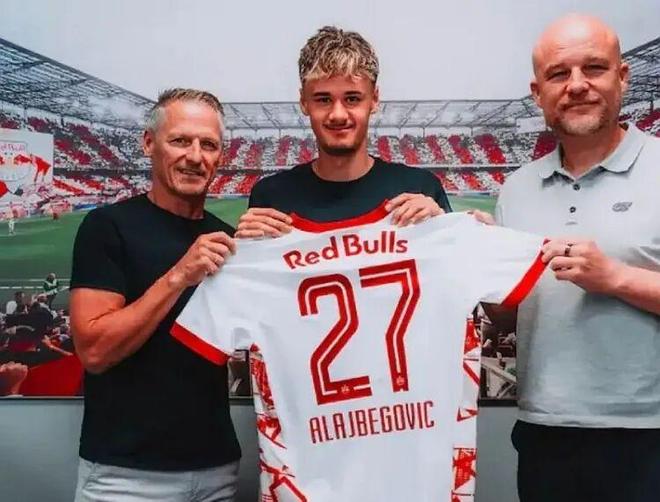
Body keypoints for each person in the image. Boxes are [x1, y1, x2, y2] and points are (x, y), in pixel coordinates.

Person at [479, 14, 660, 502]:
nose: (577, 85)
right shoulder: (516, 188)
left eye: (593, 68)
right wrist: (488, 266)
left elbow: (613, 279)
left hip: (648, 433)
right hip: (544, 429)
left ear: (622, 76)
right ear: (538, 93)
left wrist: (615, 277)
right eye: (559, 74)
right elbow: (509, 316)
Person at [69, 88, 241, 502]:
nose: (195, 156)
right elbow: (94, 351)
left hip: (216, 470)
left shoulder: (228, 239)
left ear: (220, 156)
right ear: (149, 143)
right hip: (125, 477)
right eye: (180, 140)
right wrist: (179, 275)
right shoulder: (107, 227)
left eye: (208, 145)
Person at [236, 26, 451, 239]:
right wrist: (246, 244)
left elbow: (456, 257)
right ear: (304, 102)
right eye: (323, 100)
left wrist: (445, 229)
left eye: (352, 99)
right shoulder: (271, 198)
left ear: (374, 99)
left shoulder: (420, 189)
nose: (338, 114)